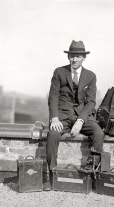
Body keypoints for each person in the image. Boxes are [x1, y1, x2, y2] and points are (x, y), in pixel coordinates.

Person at [45, 40, 105, 190]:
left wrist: (80, 120)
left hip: (82, 116)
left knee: (98, 133)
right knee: (52, 134)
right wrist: (54, 118)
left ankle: (93, 174)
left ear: (84, 58)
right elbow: (53, 96)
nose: (74, 59)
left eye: (78, 56)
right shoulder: (59, 72)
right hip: (62, 116)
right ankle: (51, 174)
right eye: (72, 56)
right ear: (68, 57)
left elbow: (91, 102)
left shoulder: (91, 76)